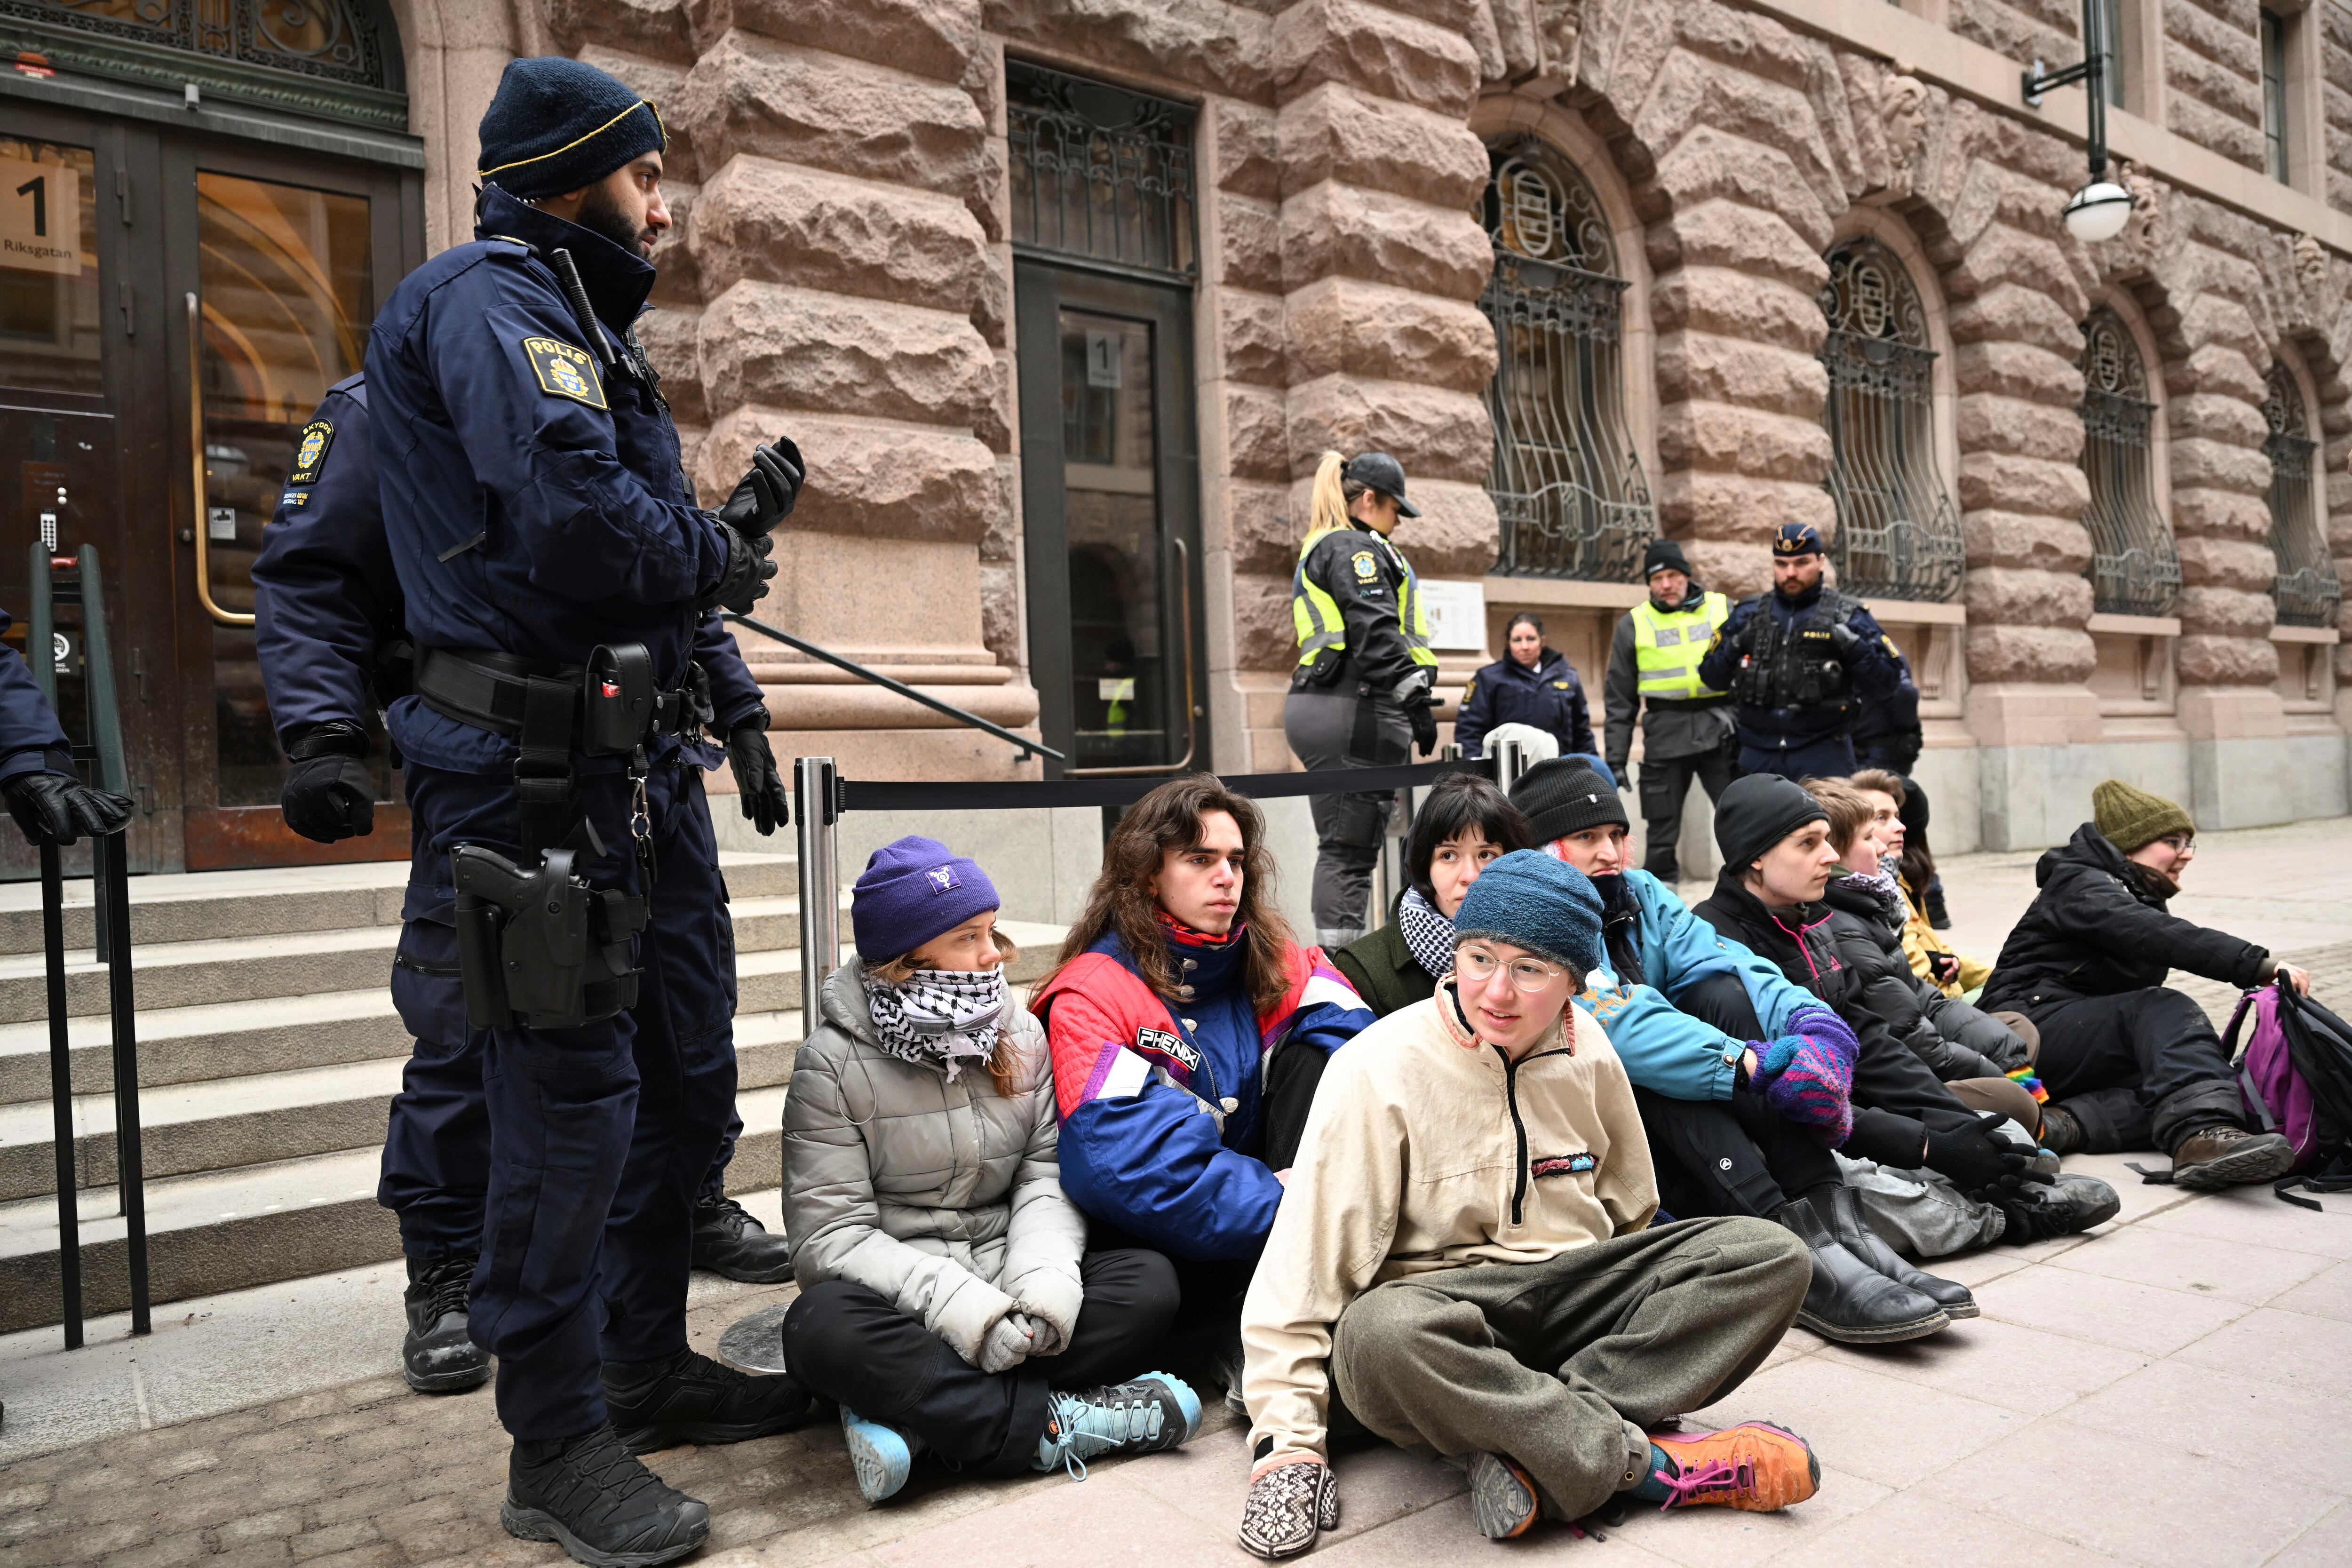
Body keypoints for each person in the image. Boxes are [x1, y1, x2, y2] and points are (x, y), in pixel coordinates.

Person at [367, 57, 810, 1564]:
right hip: (525, 782)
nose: (662, 198)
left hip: (630, 771)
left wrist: (722, 652)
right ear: (569, 176)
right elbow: (572, 522)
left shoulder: (584, 328)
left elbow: (646, 562)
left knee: (680, 1077)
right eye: (640, 173)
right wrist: (709, 546)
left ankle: (643, 1366)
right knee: (564, 1112)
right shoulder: (493, 303)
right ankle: (554, 1441)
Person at [250, 374, 796, 1405]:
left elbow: (664, 577)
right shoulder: (395, 404)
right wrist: (321, 728)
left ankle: (682, 1202)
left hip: (655, 768)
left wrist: (747, 717)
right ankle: (450, 1261)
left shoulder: (605, 393)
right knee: (476, 1025)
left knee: (689, 1016)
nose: (657, 219)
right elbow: (313, 573)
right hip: (506, 766)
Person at [1234, 851, 1821, 1558]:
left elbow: (1631, 1213)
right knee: (1376, 1333)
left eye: (1531, 970)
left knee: (1771, 1254)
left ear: (1574, 981)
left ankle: (1524, 1443)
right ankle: (1646, 1467)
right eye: (1479, 958)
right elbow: (1302, 1278)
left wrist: (1649, 1304)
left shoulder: (1592, 1049)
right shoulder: (1377, 1068)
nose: (1497, 992)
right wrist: (1288, 1447)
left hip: (1571, 1299)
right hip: (1441, 1319)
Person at [779, 837, 1200, 1504]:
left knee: (1148, 1283)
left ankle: (923, 1424)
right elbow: (831, 1240)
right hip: (908, 1303)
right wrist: (967, 1313)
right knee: (819, 1329)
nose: (993, 955)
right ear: (902, 962)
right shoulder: (829, 1066)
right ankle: (1062, 1421)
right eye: (967, 938)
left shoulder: (1018, 1032)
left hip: (1015, 1278)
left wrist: (1041, 1293)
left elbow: (1042, 1176)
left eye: (992, 931)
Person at [1514, 760, 1966, 1342]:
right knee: (1664, 1077)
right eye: (1586, 838)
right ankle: (1785, 1242)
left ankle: (1833, 1227)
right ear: (1547, 849)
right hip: (1600, 1131)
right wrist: (1746, 1063)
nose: (1609, 851)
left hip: (1674, 1120)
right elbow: (1616, 1020)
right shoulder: (1541, 911)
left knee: (1719, 990)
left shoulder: (1639, 893)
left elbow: (1723, 959)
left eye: (1616, 835)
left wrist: (1812, 1024)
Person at [1031, 775, 1374, 1384]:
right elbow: (1121, 1164)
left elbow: (1365, 1055)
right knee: (1150, 1288)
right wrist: (1292, 1198)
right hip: (1158, 1243)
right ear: (1147, 874)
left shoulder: (1271, 956)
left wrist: (1319, 1183)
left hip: (1264, 1222)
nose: (1227, 876)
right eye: (1201, 858)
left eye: (1236, 860)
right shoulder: (1093, 989)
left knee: (1324, 1058)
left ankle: (1276, 1325)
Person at [1692, 777, 2082, 1235]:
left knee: (2004, 1134)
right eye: (1808, 844)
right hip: (1801, 1131)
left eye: (1827, 839)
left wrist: (1958, 1129)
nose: (1830, 856)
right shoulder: (1714, 944)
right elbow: (1792, 1100)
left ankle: (1976, 1191)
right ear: (1754, 856)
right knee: (1862, 1182)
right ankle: (1992, 1219)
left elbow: (1871, 1041)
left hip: (1862, 1108)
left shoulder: (1809, 923)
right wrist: (1926, 1147)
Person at [1980, 780, 2303, 1187]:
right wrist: (2256, 964)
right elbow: (2151, 932)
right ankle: (2202, 1135)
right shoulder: (2079, 884)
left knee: (2185, 1075)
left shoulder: (2131, 892)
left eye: (2190, 843)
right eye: (2173, 841)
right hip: (2018, 1035)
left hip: (2072, 1040)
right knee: (2164, 1008)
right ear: (2129, 844)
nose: (2186, 854)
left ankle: (2061, 1125)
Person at [1281, 451, 1442, 947]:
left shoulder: (1330, 545)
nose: (1398, 522)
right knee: (1347, 852)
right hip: (1354, 707)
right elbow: (1372, 629)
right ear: (1369, 499)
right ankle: (1340, 974)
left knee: (1349, 845)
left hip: (1338, 704)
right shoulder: (1354, 547)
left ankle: (1346, 961)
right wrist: (1412, 695)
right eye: (1396, 509)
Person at [1695, 523, 1901, 780]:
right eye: (1782, 564)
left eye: (1802, 563)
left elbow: (1889, 683)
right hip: (1758, 755)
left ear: (1821, 562)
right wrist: (1738, 643)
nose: (1791, 573)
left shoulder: (1848, 615)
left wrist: (1853, 647)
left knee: (1830, 823)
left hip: (1824, 755)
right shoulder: (1748, 614)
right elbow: (1711, 676)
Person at [1330, 771, 1530, 1017]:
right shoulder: (1365, 969)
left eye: (1486, 854)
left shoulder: (1541, 946)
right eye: (1448, 855)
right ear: (1424, 866)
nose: (1470, 876)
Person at [1603, 538, 1736, 882]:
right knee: (1661, 828)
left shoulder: (1724, 608)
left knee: (1740, 816)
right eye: (1657, 578)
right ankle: (1662, 903)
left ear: (1687, 576)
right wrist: (1616, 760)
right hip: (1665, 733)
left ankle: (1749, 892)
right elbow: (1620, 697)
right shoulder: (1633, 624)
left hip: (1720, 728)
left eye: (1673, 576)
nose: (1666, 585)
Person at [1848, 769, 1985, 997]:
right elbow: (1918, 980)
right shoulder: (1877, 889)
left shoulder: (1892, 880)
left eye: (1898, 817)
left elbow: (1938, 952)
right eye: (1882, 817)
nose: (1901, 827)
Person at [1454, 613, 1610, 783]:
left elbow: (1582, 731)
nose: (1525, 646)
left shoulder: (1567, 676)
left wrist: (1592, 769)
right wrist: (1477, 774)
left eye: (1531, 639)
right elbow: (1470, 729)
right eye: (1517, 640)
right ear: (1508, 643)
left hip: (1561, 773)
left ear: (1542, 641)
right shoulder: (1489, 678)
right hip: (1509, 775)